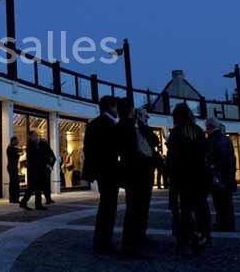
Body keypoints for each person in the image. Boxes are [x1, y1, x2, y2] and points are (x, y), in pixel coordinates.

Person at [167, 103, 211, 255]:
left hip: (182, 177)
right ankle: (203, 236)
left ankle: (186, 239)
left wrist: (171, 177)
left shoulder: (176, 133)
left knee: (184, 210)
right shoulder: (198, 131)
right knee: (201, 207)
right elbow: (205, 154)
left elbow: (172, 159)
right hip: (199, 176)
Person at [83, 96, 122, 254]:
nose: (117, 110)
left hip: (100, 171)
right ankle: (104, 241)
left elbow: (88, 149)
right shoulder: (110, 125)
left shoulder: (94, 123)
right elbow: (115, 148)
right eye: (116, 107)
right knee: (109, 206)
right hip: (109, 170)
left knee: (106, 205)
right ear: (111, 107)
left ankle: (101, 240)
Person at [119, 104, 158, 254]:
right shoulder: (129, 127)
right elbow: (152, 141)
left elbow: (154, 141)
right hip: (136, 173)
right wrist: (142, 124)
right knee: (135, 208)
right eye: (144, 115)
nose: (147, 117)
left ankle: (139, 236)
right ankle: (131, 242)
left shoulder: (136, 127)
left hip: (142, 173)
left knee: (141, 207)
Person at [206, 119, 236, 232]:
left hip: (218, 176)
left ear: (209, 127)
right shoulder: (226, 139)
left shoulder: (211, 140)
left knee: (219, 202)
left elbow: (212, 159)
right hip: (227, 176)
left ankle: (222, 224)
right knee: (227, 202)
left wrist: (213, 173)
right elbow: (232, 159)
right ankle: (229, 224)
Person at [19, 131, 47, 210]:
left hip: (36, 169)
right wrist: (37, 145)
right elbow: (34, 157)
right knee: (32, 188)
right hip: (33, 170)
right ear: (31, 136)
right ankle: (25, 202)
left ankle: (36, 204)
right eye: (35, 135)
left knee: (36, 188)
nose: (37, 137)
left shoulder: (35, 144)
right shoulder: (31, 145)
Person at [39, 138, 56, 204]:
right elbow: (54, 158)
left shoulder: (39, 150)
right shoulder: (48, 149)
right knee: (47, 184)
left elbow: (53, 158)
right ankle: (48, 199)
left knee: (43, 185)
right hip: (47, 169)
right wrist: (50, 166)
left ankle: (47, 199)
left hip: (42, 169)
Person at [7, 136, 22, 203]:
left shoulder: (11, 148)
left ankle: (13, 198)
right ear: (13, 141)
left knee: (13, 183)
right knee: (14, 183)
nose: (17, 142)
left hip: (12, 167)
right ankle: (14, 198)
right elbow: (15, 157)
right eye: (16, 141)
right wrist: (18, 154)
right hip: (12, 167)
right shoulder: (11, 148)